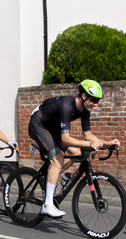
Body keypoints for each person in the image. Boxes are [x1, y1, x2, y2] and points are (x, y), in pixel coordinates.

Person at [26, 80, 120, 218]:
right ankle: (47, 205)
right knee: (57, 159)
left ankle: (53, 179)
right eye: (94, 100)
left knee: (76, 153)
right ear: (83, 96)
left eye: (98, 101)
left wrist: (107, 144)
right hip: (39, 124)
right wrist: (88, 145)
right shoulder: (66, 106)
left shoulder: (85, 109)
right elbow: (65, 139)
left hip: (52, 128)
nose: (96, 104)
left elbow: (88, 135)